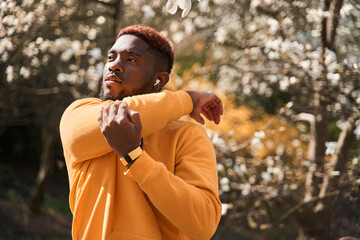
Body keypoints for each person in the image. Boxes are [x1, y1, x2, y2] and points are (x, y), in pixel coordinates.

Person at [60, 25, 223, 240]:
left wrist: (135, 158)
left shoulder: (187, 135)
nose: (114, 66)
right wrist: (188, 99)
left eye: (131, 59)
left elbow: (203, 223)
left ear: (159, 80)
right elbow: (121, 115)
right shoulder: (79, 113)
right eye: (111, 57)